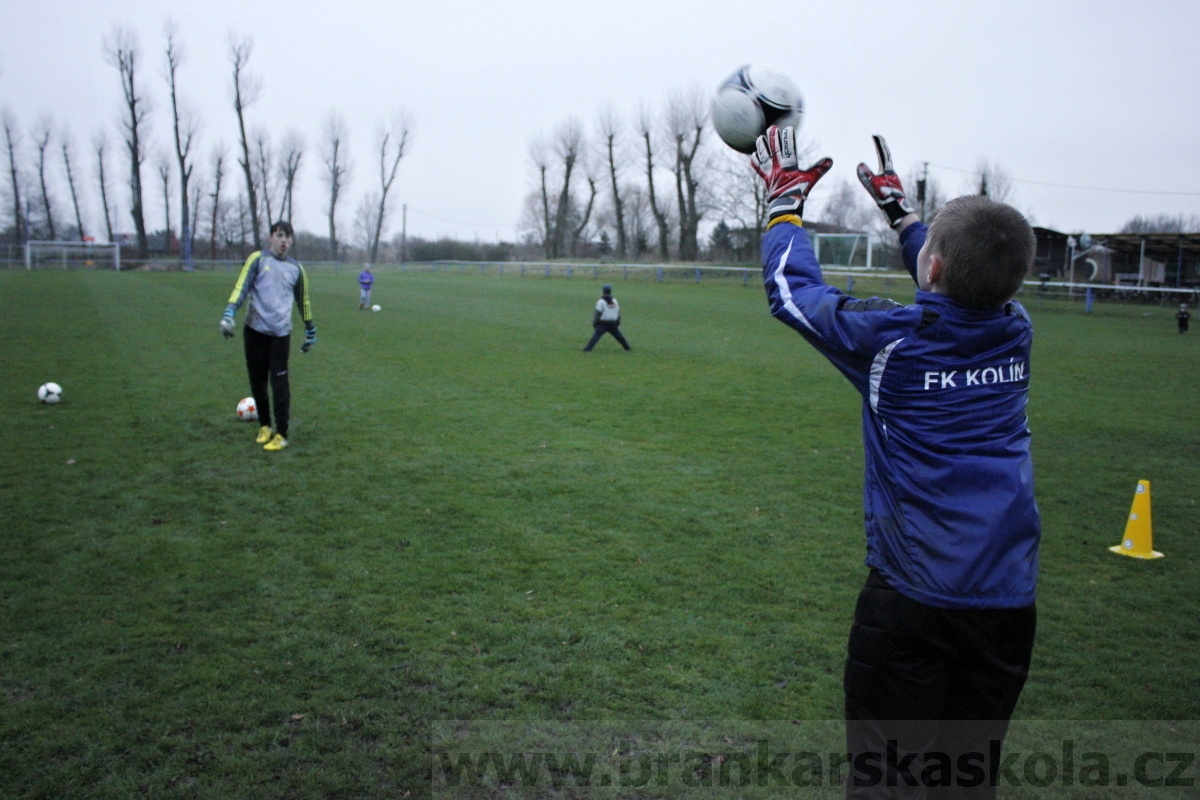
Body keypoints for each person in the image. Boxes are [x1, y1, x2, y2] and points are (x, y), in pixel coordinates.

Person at [751, 127, 1039, 798]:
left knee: (886, 780)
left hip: (912, 602)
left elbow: (794, 296)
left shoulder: (895, 346)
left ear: (931, 268)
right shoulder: (1016, 328)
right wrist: (905, 218)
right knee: (966, 782)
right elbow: (964, 278)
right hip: (1007, 606)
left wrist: (782, 212)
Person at [220, 221, 316, 451]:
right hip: (254, 330)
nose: (284, 241)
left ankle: (281, 433)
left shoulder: (296, 269)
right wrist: (229, 311)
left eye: (288, 237)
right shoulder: (258, 259)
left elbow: (303, 300)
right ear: (271, 237)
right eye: (280, 235)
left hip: (280, 334)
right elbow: (241, 286)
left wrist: (310, 328)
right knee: (258, 381)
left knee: (279, 383)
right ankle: (265, 426)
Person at [583, 284, 631, 352]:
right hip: (612, 323)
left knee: (595, 337)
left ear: (603, 292)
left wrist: (595, 323)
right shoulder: (614, 301)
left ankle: (587, 349)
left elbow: (597, 314)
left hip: (603, 323)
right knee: (619, 336)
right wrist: (618, 322)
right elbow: (617, 312)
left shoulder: (601, 301)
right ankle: (627, 348)